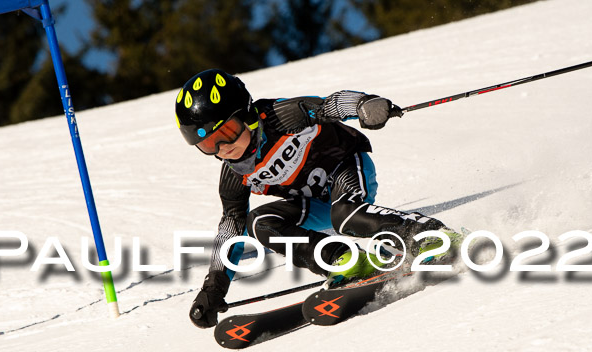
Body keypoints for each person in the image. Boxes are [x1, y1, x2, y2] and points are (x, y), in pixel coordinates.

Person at [175, 69, 462, 328]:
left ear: (247, 116)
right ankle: (345, 261)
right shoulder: (234, 176)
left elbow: (330, 104)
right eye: (209, 145)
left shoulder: (279, 117)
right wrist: (213, 288)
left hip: (346, 167)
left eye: (227, 132)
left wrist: (363, 104)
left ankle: (433, 235)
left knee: (345, 215)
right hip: (315, 204)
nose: (224, 148)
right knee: (260, 222)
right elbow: (230, 230)